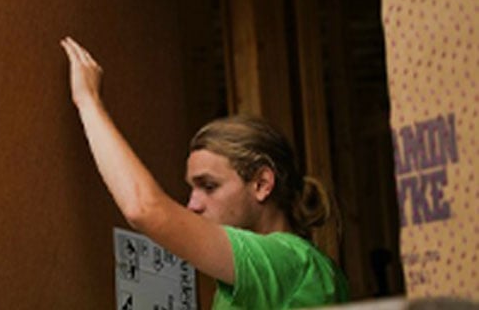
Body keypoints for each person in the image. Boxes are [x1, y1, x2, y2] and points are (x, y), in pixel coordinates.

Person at [60, 36, 349, 309]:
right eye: (193, 188)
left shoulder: (287, 259)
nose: (193, 204)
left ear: (262, 183)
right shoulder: (261, 274)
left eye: (209, 186)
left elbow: (144, 209)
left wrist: (89, 102)